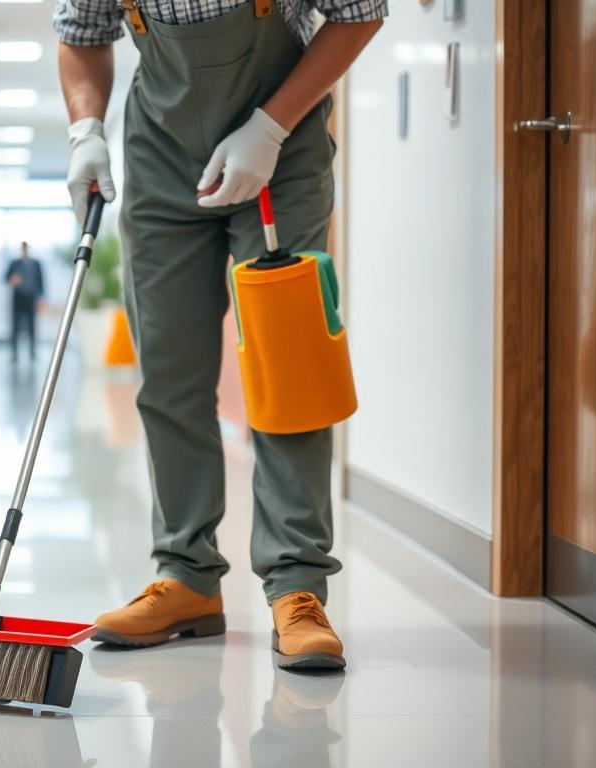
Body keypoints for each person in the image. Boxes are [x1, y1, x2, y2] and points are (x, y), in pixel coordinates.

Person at [55, 0, 386, 669]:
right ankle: (186, 577)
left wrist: (271, 126)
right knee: (170, 371)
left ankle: (297, 588)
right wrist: (85, 129)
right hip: (160, 155)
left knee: (287, 365)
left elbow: (360, 12)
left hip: (281, 148)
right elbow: (82, 36)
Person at [5, 241, 45, 361]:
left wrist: (40, 298)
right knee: (15, 326)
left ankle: (32, 352)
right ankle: (14, 353)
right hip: (18, 299)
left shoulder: (36, 264)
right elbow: (6, 279)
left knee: (32, 326)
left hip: (31, 298)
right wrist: (12, 280)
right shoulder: (14, 263)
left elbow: (41, 282)